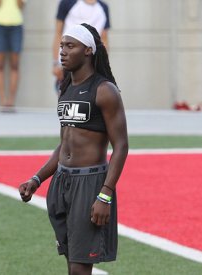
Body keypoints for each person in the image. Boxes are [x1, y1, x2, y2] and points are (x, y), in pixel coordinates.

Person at [19, 23, 128, 275]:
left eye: (70, 46)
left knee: (79, 268)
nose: (63, 52)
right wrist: (37, 179)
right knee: (71, 262)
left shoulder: (105, 90)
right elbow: (64, 143)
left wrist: (105, 194)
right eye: (61, 46)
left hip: (89, 183)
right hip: (62, 181)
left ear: (88, 50)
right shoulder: (65, 88)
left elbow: (121, 145)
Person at [52, 0, 110, 94]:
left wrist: (103, 65)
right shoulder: (67, 3)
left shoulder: (103, 7)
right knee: (67, 102)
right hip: (67, 65)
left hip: (91, 66)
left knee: (90, 103)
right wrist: (56, 63)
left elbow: (104, 39)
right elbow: (58, 33)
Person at [0, 0, 26, 110]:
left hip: (16, 25)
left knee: (15, 64)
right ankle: (3, 100)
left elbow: (21, 5)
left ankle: (11, 100)